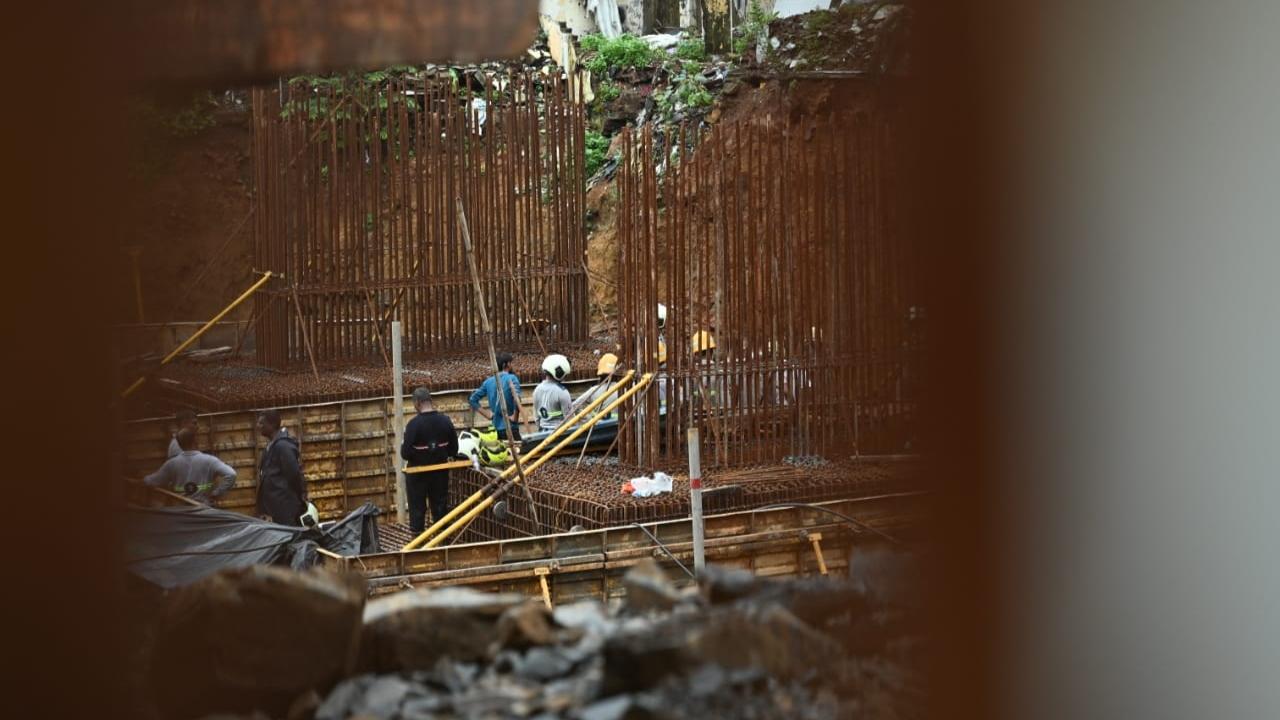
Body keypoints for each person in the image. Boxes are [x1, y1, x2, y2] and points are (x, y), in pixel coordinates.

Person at [400, 387, 459, 533]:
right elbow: (454, 449)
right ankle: (442, 542)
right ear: (430, 401)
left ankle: (418, 543)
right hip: (440, 473)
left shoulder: (413, 425)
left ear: (417, 403)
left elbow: (405, 453)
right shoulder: (445, 421)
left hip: (417, 475)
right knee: (440, 508)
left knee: (417, 510)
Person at [144, 427, 236, 505]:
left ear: (180, 444)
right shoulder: (210, 460)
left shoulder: (171, 464)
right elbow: (231, 474)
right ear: (195, 441)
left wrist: (142, 480)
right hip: (205, 510)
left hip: (182, 513)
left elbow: (152, 481)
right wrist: (216, 493)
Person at [255, 409, 307, 526]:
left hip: (286, 510)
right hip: (276, 510)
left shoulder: (283, 446)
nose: (258, 426)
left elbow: (294, 475)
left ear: (272, 424)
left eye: (262, 423)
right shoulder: (271, 446)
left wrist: (300, 499)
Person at [468, 351, 523, 441]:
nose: (512, 365)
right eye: (511, 363)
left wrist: (488, 415)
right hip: (510, 428)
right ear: (507, 364)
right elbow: (517, 399)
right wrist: (515, 417)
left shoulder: (488, 382)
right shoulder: (512, 378)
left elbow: (472, 399)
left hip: (495, 431)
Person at [571, 353, 620, 419]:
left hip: (598, 424)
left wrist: (589, 416)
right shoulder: (623, 389)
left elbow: (574, 406)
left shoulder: (594, 390)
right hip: (620, 423)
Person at [533, 354, 573, 431]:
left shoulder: (537, 390)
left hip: (542, 432)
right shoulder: (562, 392)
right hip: (559, 433)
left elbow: (536, 417)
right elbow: (569, 419)